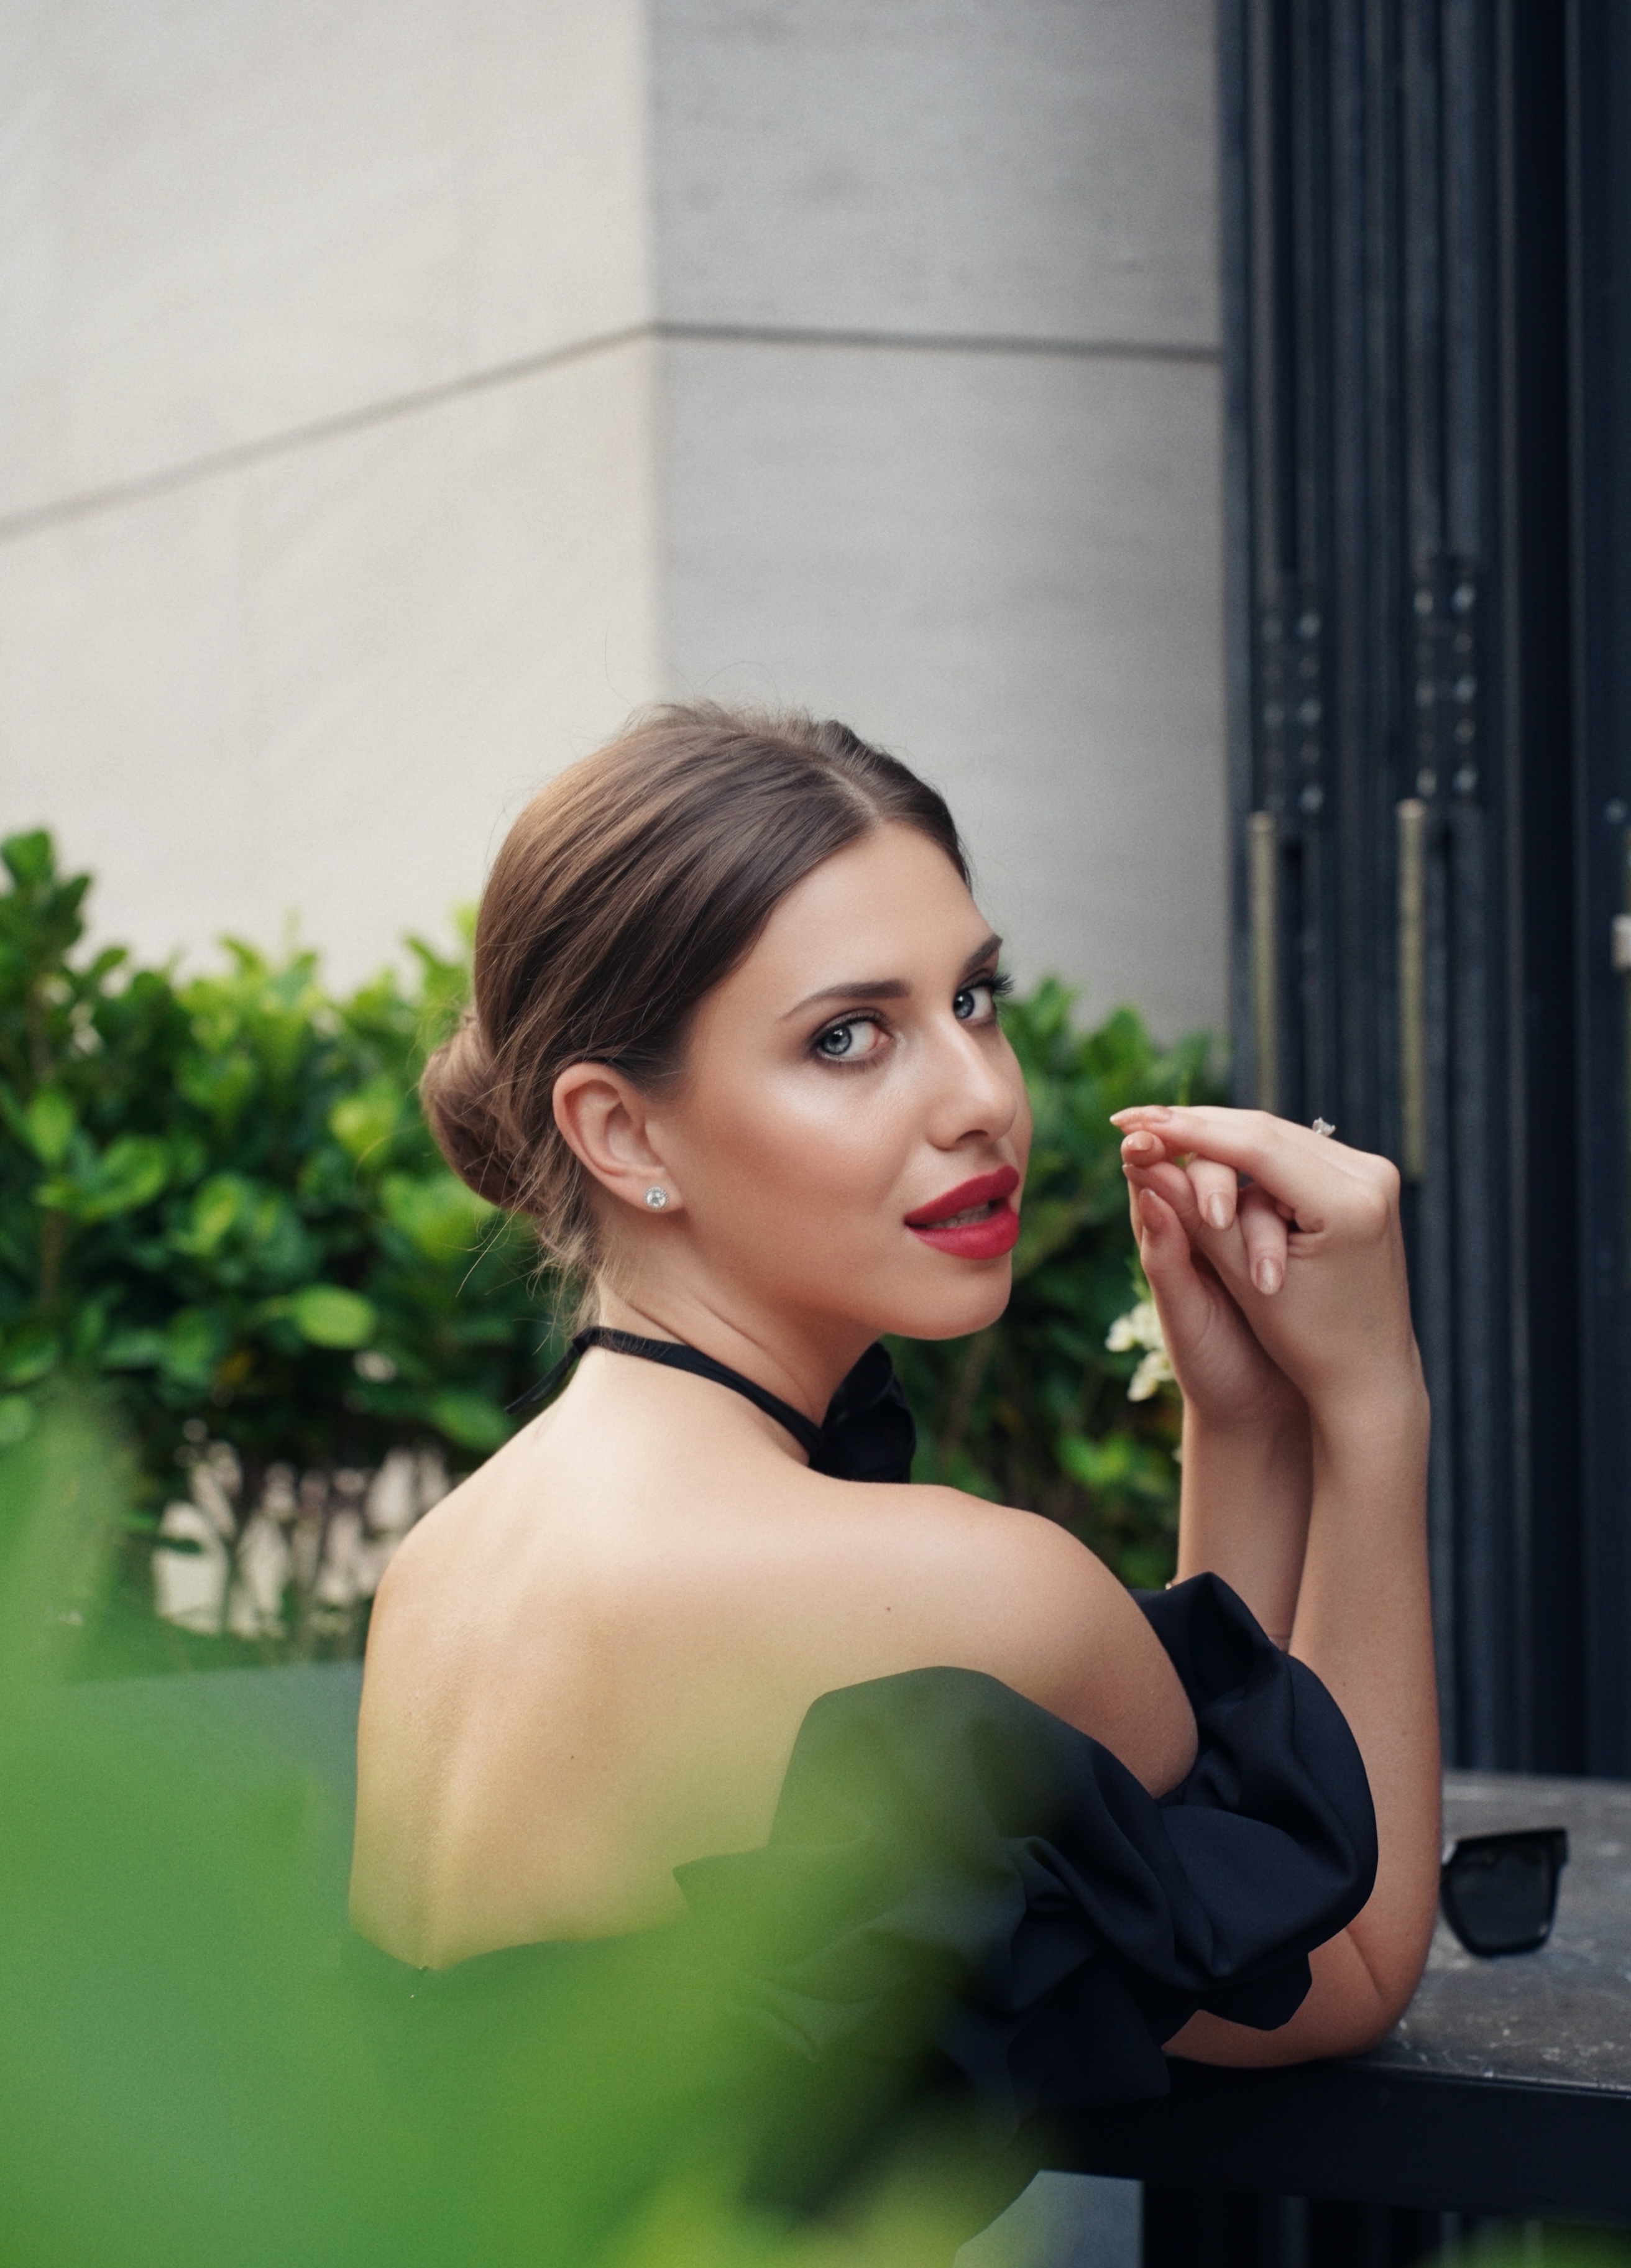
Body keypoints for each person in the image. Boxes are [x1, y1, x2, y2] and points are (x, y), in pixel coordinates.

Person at [349, 704, 1436, 2117]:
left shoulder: (441, 1568)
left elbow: (1194, 1885)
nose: (981, 1096)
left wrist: (1237, 1421)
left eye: (973, 1000)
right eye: (849, 1037)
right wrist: (1371, 1405)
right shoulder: (962, 1593)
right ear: (621, 1131)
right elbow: (1333, 1966)